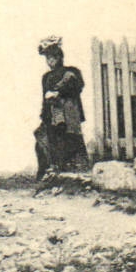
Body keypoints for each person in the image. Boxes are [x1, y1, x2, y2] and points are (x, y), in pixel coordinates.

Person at [36, 36, 86, 175]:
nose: (50, 61)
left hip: (69, 113)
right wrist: (44, 113)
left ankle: (72, 170)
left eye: (53, 58)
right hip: (53, 114)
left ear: (60, 57)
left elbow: (78, 86)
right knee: (46, 140)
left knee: (70, 140)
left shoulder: (71, 71)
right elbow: (44, 97)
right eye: (47, 58)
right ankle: (51, 170)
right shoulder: (46, 77)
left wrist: (59, 92)